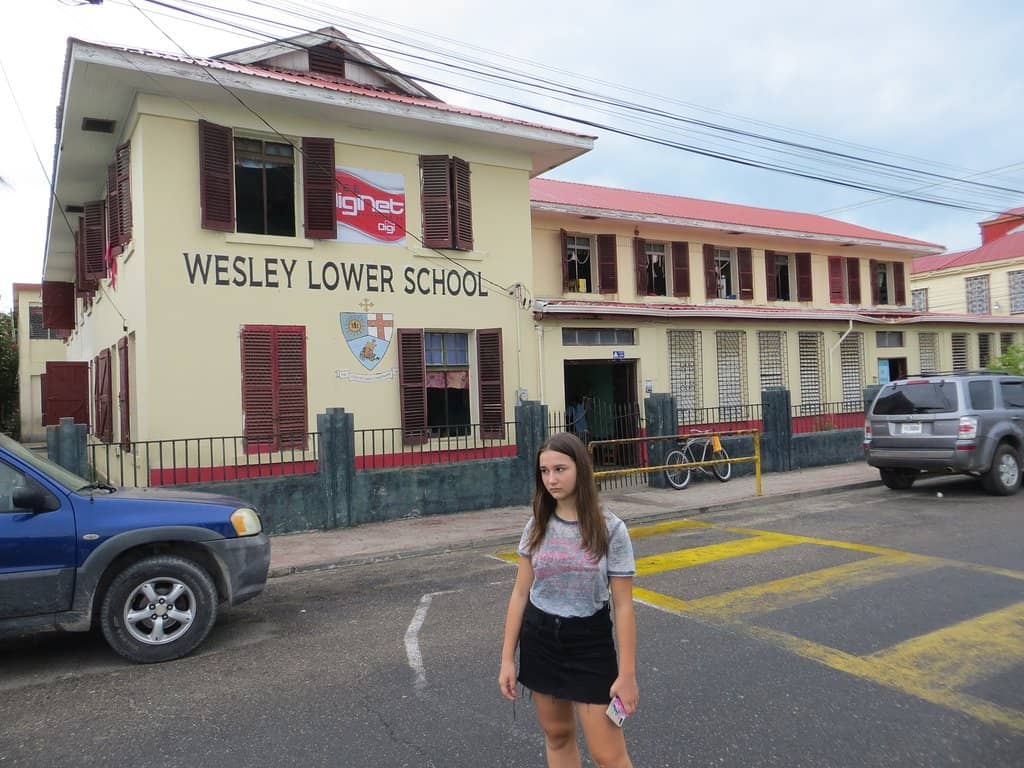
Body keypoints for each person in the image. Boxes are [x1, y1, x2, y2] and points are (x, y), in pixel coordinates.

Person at [498, 432, 638, 768]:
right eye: (544, 472)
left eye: (560, 469)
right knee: (558, 735)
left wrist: (628, 673)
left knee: (608, 755)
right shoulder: (537, 525)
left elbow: (623, 606)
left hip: (590, 644)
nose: (551, 479)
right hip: (541, 639)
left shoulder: (610, 529)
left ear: (581, 469)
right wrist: (506, 658)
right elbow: (520, 594)